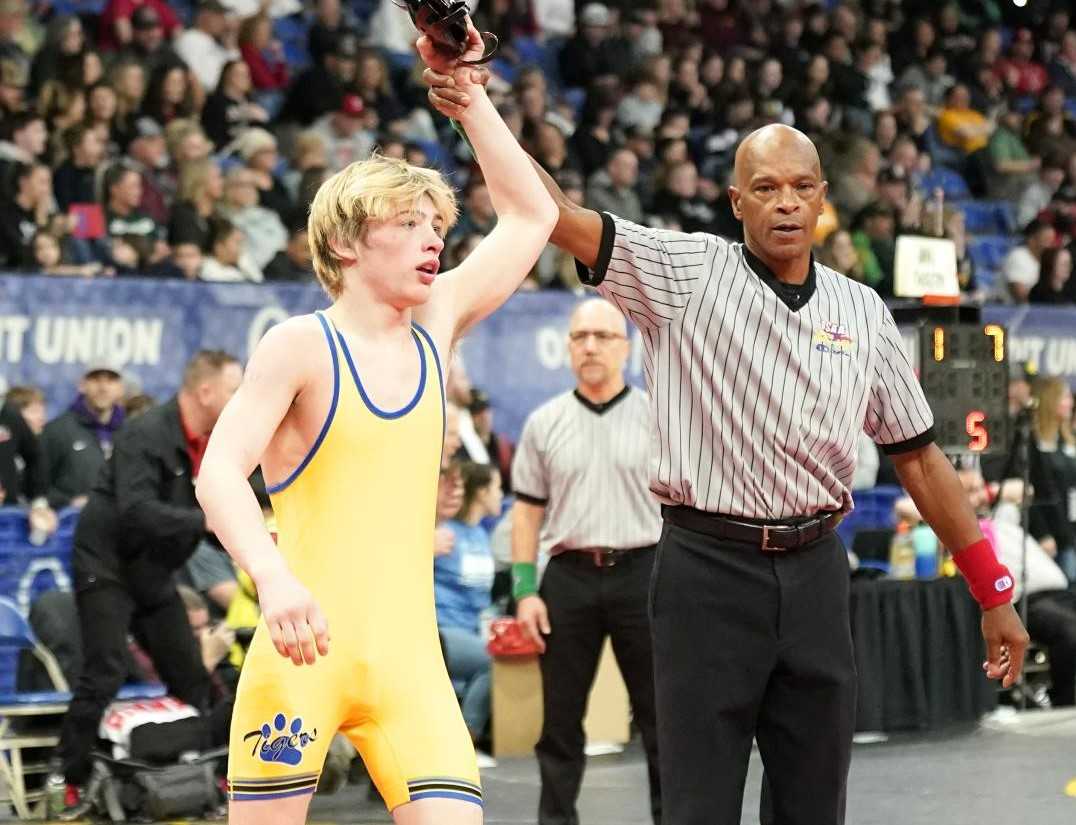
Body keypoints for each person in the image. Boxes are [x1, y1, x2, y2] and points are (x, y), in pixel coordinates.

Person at [425, 72, 1029, 825]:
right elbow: (556, 213)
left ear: (821, 198)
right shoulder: (686, 272)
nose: (785, 201)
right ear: (736, 200)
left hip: (816, 571)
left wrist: (992, 588)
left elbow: (920, 457)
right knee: (697, 806)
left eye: (802, 186)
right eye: (766, 187)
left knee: (814, 804)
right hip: (706, 572)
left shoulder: (863, 309)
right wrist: (477, 108)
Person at [194, 17, 556, 825]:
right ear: (349, 243)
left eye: (438, 227)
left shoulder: (437, 321)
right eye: (409, 226)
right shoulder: (299, 345)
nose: (433, 242)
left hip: (409, 667)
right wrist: (274, 575)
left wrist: (467, 99)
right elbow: (218, 473)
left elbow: (531, 217)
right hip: (301, 656)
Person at [54, 350, 243, 816]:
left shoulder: (216, 441)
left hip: (153, 569)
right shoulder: (146, 433)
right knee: (105, 670)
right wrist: (204, 523)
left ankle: (212, 771)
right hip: (107, 565)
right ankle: (68, 778)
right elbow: (135, 512)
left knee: (192, 676)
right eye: (233, 390)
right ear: (205, 392)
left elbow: (231, 501)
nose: (242, 399)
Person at [511, 297, 662, 825]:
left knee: (661, 719)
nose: (591, 346)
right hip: (568, 580)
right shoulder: (544, 424)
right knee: (559, 724)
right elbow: (526, 516)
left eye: (602, 336)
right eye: (580, 338)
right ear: (569, 350)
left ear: (626, 347)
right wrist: (525, 591)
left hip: (645, 573)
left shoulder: (658, 418)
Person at [435, 461, 501, 763]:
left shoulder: (479, 536)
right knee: (493, 662)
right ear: (482, 492)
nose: (501, 496)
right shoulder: (444, 534)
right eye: (498, 489)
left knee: (500, 656)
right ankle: (465, 744)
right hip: (443, 627)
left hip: (472, 627)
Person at [41, 360, 126, 510]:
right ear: (82, 385)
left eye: (111, 380)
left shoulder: (131, 432)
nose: (103, 388)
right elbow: (36, 487)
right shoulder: (57, 430)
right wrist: (68, 502)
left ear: (121, 388)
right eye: (96, 380)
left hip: (121, 527)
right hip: (70, 527)